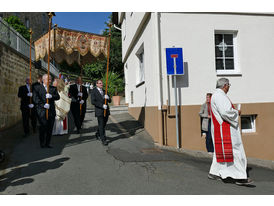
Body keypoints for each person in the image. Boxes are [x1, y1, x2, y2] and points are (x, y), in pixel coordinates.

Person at [208, 78, 253, 186]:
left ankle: (214, 172)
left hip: (220, 128)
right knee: (235, 151)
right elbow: (225, 112)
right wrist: (236, 112)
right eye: (229, 85)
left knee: (220, 151)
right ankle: (240, 177)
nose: (229, 87)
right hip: (226, 128)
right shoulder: (220, 96)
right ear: (225, 85)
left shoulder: (216, 95)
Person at [33, 74, 60, 148]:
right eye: (48, 79)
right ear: (43, 80)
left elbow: (58, 97)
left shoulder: (53, 88)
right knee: (43, 127)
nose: (50, 81)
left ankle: (48, 143)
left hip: (51, 111)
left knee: (50, 128)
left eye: (50, 79)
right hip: (41, 111)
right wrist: (43, 105)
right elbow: (35, 99)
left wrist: (51, 96)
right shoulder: (37, 88)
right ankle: (42, 142)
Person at [90, 79, 111, 146]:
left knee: (103, 124)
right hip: (99, 111)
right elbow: (93, 102)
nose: (101, 84)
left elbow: (110, 101)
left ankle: (98, 133)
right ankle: (103, 139)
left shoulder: (105, 91)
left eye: (102, 83)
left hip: (106, 111)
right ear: (96, 84)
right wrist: (102, 105)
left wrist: (108, 98)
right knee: (101, 125)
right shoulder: (94, 91)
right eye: (100, 83)